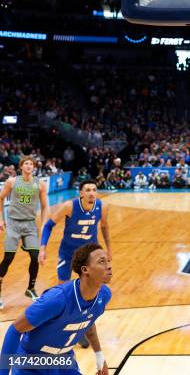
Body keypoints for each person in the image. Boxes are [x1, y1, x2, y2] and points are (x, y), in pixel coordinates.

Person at [0, 243, 112, 375]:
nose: (109, 266)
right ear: (85, 270)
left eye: (108, 261)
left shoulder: (104, 295)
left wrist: (99, 355)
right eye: (102, 261)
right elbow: (15, 329)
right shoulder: (57, 299)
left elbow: (88, 320)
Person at [38, 180, 112, 284]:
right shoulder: (69, 206)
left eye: (94, 190)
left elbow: (104, 227)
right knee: (62, 285)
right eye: (88, 190)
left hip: (90, 252)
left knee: (94, 283)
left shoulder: (103, 207)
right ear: (81, 193)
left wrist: (109, 249)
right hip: (68, 251)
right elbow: (48, 226)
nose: (91, 193)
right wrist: (42, 249)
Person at [0, 156, 50, 309]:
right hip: (14, 223)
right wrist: (1, 219)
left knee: (35, 256)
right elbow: (0, 198)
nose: (29, 166)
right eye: (26, 163)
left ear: (34, 167)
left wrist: (44, 224)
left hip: (30, 225)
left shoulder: (39, 184)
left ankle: (31, 288)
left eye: (31, 164)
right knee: (8, 257)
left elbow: (45, 206)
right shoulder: (12, 182)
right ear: (21, 167)